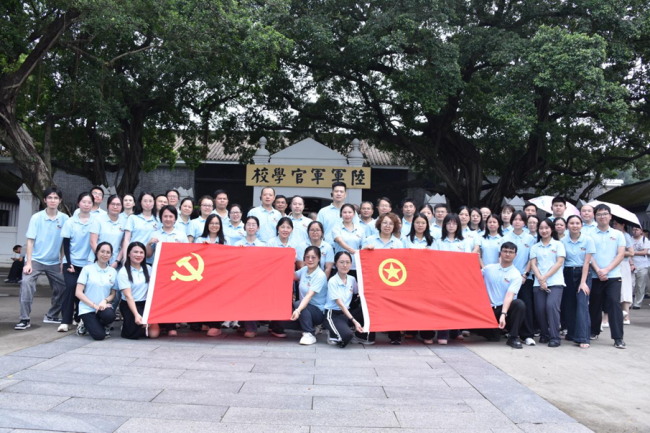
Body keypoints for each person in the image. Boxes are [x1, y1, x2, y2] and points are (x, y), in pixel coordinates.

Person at [16, 186, 69, 330]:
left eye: (56, 198)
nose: (53, 200)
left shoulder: (64, 219)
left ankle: (52, 315)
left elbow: (64, 243)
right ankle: (24, 319)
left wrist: (62, 261)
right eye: (50, 197)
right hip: (35, 260)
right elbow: (30, 241)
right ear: (45, 200)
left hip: (54, 262)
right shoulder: (36, 218)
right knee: (26, 284)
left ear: (60, 200)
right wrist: (28, 263)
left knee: (65, 285)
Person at [588, 204, 626, 348]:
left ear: (610, 216)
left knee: (614, 304)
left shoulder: (618, 234)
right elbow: (588, 254)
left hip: (614, 276)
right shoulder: (589, 234)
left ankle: (618, 338)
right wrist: (598, 270)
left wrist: (607, 270)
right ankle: (594, 331)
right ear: (595, 217)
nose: (602, 217)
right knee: (594, 304)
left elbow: (620, 254)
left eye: (605, 214)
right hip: (595, 275)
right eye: (599, 214)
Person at [431, 213, 472, 345]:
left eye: (454, 223)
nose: (451, 226)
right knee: (443, 306)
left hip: (457, 279)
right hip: (441, 280)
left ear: (458, 225)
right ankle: (442, 333)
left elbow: (467, 262)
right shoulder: (438, 242)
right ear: (444, 225)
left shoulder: (464, 242)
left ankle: (455, 330)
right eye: (448, 223)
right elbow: (434, 261)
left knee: (456, 305)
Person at [477, 242, 526, 349]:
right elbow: (473, 276)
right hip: (488, 310)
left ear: (515, 255)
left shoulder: (516, 274)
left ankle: (513, 337)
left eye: (511, 252)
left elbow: (509, 295)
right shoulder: (489, 269)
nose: (507, 254)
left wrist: (503, 314)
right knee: (494, 338)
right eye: (505, 251)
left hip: (504, 309)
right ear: (500, 253)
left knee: (519, 304)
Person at [59, 193, 95, 332]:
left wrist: (91, 262)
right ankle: (65, 321)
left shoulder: (96, 221)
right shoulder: (70, 222)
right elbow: (66, 244)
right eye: (84, 202)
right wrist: (68, 262)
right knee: (70, 287)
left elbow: (95, 243)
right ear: (78, 203)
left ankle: (79, 317)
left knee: (85, 291)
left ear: (92, 205)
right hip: (71, 262)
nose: (86, 204)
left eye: (89, 202)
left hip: (88, 263)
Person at [279, 246, 328, 345]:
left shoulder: (320, 275)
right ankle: (311, 326)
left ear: (319, 259)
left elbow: (309, 296)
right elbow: (291, 276)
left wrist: (298, 310)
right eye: (307, 257)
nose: (310, 260)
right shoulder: (304, 269)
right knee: (283, 322)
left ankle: (309, 333)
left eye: (313, 257)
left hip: (318, 311)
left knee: (298, 304)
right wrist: (291, 262)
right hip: (304, 308)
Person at [530, 218, 566, 347]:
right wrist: (540, 279)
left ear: (551, 229)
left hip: (555, 282)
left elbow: (559, 263)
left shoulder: (558, 245)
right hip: (538, 283)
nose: (544, 230)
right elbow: (533, 264)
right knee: (540, 309)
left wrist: (544, 277)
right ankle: (544, 334)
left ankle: (555, 337)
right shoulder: (535, 247)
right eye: (541, 228)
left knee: (551, 307)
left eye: (546, 228)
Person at [504, 211, 537, 346]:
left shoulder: (530, 238)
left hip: (525, 278)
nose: (517, 222)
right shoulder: (505, 237)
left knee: (526, 305)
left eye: (520, 219)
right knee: (511, 304)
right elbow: (502, 257)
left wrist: (525, 274)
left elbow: (531, 258)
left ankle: (527, 335)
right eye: (515, 219)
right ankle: (512, 331)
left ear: (525, 222)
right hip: (509, 277)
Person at [561, 215, 595, 348]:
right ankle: (571, 334)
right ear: (567, 225)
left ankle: (583, 337)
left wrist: (583, 282)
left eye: (577, 223)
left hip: (583, 273)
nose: (574, 226)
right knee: (569, 304)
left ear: (581, 225)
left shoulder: (588, 240)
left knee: (582, 303)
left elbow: (587, 262)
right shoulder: (563, 241)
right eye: (571, 223)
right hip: (567, 273)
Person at [403, 213, 436, 344]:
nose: (420, 225)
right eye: (417, 222)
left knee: (427, 306)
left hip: (428, 278)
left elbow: (437, 259)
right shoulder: (406, 240)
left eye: (423, 223)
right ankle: (411, 330)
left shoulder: (432, 241)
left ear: (427, 225)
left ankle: (427, 334)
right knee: (412, 304)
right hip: (410, 277)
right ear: (413, 224)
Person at [74, 242, 117, 340]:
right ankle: (84, 323)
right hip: (88, 308)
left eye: (108, 252)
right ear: (97, 252)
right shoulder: (87, 269)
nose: (105, 254)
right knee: (99, 336)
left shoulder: (113, 271)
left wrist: (105, 301)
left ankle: (102, 325)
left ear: (111, 255)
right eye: (102, 251)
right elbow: (78, 292)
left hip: (102, 307)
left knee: (110, 315)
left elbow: (113, 293)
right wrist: (94, 305)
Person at [117, 242, 160, 339]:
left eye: (141, 252)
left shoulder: (149, 269)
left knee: (154, 334)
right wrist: (136, 314)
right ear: (129, 254)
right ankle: (130, 325)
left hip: (144, 303)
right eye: (135, 252)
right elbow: (128, 296)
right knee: (134, 331)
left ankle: (145, 325)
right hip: (129, 304)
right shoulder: (123, 272)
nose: (138, 255)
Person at [193, 214, 226, 336]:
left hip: (219, 277)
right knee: (203, 299)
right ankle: (205, 321)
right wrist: (203, 248)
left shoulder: (225, 241)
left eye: (217, 223)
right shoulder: (199, 240)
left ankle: (216, 325)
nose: (214, 226)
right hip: (203, 276)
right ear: (207, 225)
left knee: (216, 300)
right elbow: (195, 257)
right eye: (211, 223)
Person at [323, 251, 365, 347]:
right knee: (347, 337)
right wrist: (354, 321)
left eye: (347, 262)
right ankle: (332, 332)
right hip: (334, 314)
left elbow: (358, 292)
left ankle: (354, 333)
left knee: (365, 310)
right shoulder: (332, 281)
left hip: (346, 314)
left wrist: (361, 293)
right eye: (341, 262)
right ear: (336, 264)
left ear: (351, 264)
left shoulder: (352, 279)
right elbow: (340, 304)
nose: (344, 265)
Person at [234, 216, 266, 338]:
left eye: (254, 225)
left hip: (257, 280)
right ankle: (244, 324)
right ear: (245, 227)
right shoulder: (237, 244)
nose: (251, 227)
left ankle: (251, 328)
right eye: (248, 224)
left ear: (258, 228)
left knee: (251, 301)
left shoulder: (263, 246)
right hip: (241, 279)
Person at [122, 192, 158, 265]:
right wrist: (125, 258)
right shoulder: (132, 218)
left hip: (150, 259)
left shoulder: (158, 220)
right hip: (133, 256)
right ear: (140, 202)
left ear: (154, 202)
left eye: (150, 201)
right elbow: (127, 239)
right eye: (145, 201)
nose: (148, 203)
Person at [90, 194, 125, 268]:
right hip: (96, 260)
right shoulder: (98, 220)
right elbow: (93, 242)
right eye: (112, 204)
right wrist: (101, 258)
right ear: (108, 205)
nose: (115, 207)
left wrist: (117, 261)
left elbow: (123, 245)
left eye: (118, 204)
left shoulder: (124, 222)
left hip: (114, 262)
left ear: (122, 206)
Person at [611, 218, 634, 325]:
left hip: (623, 264)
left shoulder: (626, 236)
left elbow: (631, 252)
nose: (614, 225)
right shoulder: (613, 235)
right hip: (614, 263)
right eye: (613, 224)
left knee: (625, 289)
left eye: (616, 224)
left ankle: (626, 316)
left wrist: (619, 252)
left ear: (622, 225)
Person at [332, 204, 364, 279]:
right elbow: (339, 240)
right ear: (341, 214)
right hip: (340, 265)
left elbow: (363, 245)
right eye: (344, 212)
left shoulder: (360, 229)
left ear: (354, 214)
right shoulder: (336, 228)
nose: (347, 215)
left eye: (350, 212)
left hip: (355, 265)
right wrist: (349, 249)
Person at [631, 226, 650, 310]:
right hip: (631, 264)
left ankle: (637, 303)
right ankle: (629, 302)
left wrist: (632, 252)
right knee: (631, 284)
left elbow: (645, 252)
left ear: (641, 231)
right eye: (633, 229)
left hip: (643, 265)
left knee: (640, 285)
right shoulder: (629, 239)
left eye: (637, 230)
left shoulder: (645, 240)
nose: (635, 231)